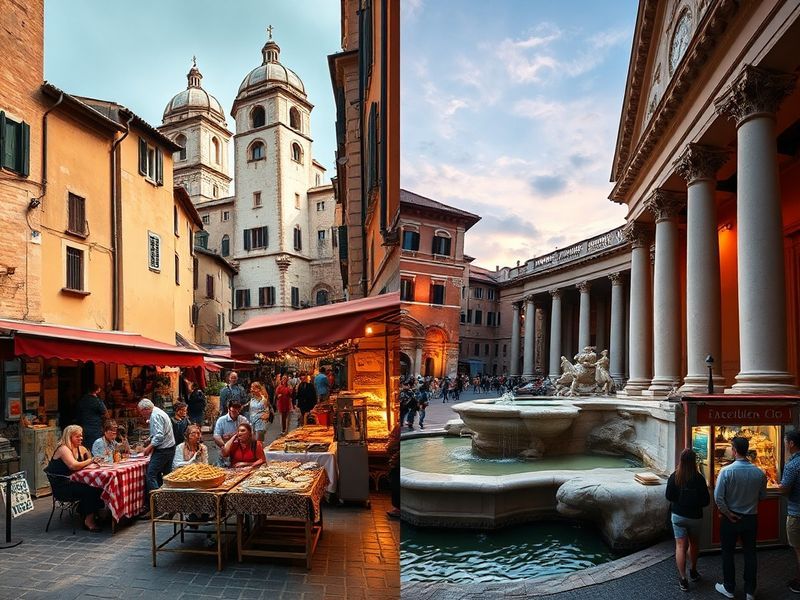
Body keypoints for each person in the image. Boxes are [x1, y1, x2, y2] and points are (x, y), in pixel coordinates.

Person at [713, 436, 767, 600]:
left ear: (734, 451)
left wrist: (728, 513)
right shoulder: (759, 473)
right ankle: (750, 591)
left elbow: (718, 497)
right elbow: (762, 496)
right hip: (750, 518)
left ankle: (729, 587)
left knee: (728, 553)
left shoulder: (726, 471)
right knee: (750, 553)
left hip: (730, 518)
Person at [665, 448, 710, 592]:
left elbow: (668, 496)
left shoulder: (674, 476)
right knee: (694, 544)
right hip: (695, 516)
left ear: (681, 461)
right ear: (694, 461)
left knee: (680, 546)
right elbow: (706, 500)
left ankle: (683, 579)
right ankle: (693, 571)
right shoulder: (699, 478)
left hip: (678, 515)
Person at [46, 425, 105, 531]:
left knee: (97, 485)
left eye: (81, 436)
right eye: (77, 436)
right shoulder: (63, 449)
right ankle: (88, 520)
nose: (81, 438)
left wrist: (90, 460)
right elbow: (73, 466)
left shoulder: (76, 448)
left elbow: (82, 463)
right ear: (69, 437)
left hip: (71, 482)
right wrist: (90, 460)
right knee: (92, 489)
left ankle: (86, 512)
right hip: (62, 487)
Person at [138, 398, 176, 515]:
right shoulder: (158, 412)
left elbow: (159, 436)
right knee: (164, 477)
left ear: (145, 409)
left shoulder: (155, 415)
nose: (142, 415)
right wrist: (149, 439)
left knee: (151, 475)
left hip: (163, 450)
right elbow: (160, 432)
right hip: (169, 448)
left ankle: (158, 506)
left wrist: (149, 448)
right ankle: (168, 505)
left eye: (141, 412)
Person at [779, 430, 800, 594]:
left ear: (791, 443)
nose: (785, 445)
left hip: (796, 513)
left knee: (798, 549)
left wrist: (779, 486)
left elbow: (785, 489)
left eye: (786, 442)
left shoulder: (792, 465)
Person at [212, 400, 249, 466]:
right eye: (234, 411)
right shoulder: (221, 420)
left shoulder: (243, 419)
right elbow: (216, 436)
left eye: (238, 411)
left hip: (240, 448)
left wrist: (232, 436)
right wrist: (224, 446)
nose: (237, 413)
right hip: (225, 448)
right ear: (228, 409)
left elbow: (248, 433)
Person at [76, 384, 108, 450]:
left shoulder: (82, 399)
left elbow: (78, 412)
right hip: (95, 427)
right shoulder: (97, 401)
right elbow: (105, 413)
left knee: (85, 447)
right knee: (96, 447)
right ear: (97, 391)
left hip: (84, 427)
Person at [386, 422, 400, 519]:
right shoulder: (398, 427)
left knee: (396, 482)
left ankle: (398, 508)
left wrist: (394, 458)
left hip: (397, 461)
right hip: (397, 459)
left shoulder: (398, 427)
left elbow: (392, 443)